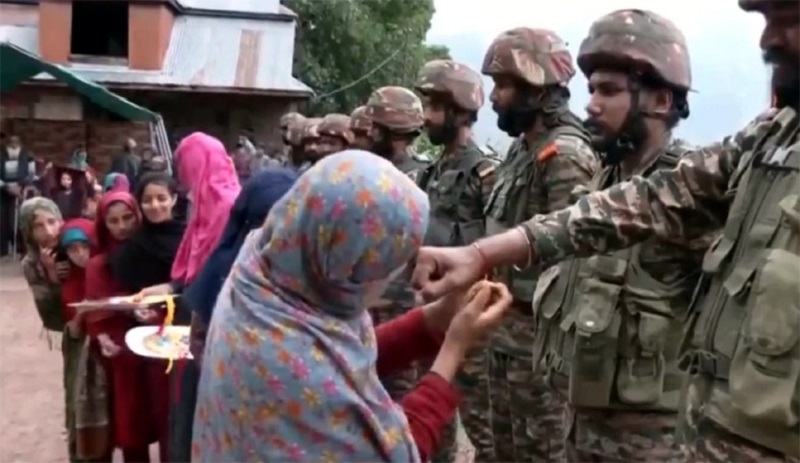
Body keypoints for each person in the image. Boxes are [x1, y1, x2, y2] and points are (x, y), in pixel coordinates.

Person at [412, 1, 800, 461]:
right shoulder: (771, 138)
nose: (767, 41)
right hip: (609, 422)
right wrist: (482, 255)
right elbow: (636, 204)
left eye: (789, 19)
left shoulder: (574, 158)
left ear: (660, 100)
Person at [190, 150, 513, 462]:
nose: (394, 278)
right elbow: (394, 454)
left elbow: (336, 361)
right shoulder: (284, 360)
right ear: (345, 265)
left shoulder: (264, 271)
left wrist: (432, 321)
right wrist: (454, 349)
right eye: (387, 266)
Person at [526, 10, 710, 462]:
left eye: (608, 91)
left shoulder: (694, 191)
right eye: (591, 90)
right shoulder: (603, 180)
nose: (590, 104)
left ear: (661, 100)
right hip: (581, 430)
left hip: (657, 444)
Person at [470, 26, 602, 462]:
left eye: (504, 86)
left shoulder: (564, 155)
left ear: (539, 90)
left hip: (540, 347)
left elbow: (575, 257)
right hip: (506, 333)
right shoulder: (523, 151)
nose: (493, 98)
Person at [135, 132, 241, 462]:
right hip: (195, 318)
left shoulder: (226, 207)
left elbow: (219, 271)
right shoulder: (204, 200)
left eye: (185, 165)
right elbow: (193, 268)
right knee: (184, 406)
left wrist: (179, 290)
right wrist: (171, 289)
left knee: (198, 407)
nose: (181, 177)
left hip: (215, 326)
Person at [413, 59, 499, 461]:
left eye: (434, 106)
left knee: (485, 431)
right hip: (431, 314)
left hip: (470, 322)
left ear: (460, 111)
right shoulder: (431, 173)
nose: (426, 116)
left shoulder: (485, 174)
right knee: (432, 422)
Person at [183, 167, 298, 365]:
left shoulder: (308, 272)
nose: (272, 235)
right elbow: (200, 342)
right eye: (263, 222)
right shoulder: (224, 270)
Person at [83, 192, 159, 462]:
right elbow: (95, 308)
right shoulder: (98, 264)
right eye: (113, 221)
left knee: (165, 419)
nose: (122, 226)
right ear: (103, 224)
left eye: (128, 218)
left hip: (157, 344)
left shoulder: (154, 250)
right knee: (132, 423)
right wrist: (101, 336)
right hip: (122, 351)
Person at [57, 218, 109, 462]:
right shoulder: (67, 281)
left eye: (84, 246)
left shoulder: (107, 270)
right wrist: (81, 314)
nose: (80, 254)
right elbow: (72, 329)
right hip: (83, 360)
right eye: (72, 249)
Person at [19, 197, 68, 332]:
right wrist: (51, 273)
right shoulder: (31, 264)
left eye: (52, 222)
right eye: (38, 226)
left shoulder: (77, 246)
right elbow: (52, 316)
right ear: (29, 232)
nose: (48, 231)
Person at [364, 86, 431, 182]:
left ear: (396, 133)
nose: (369, 133)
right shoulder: (368, 170)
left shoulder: (421, 178)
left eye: (376, 128)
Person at [0, 134, 36, 258]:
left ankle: (21, 249)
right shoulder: (1, 155)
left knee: (21, 220)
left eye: (16, 143)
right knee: (3, 220)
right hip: (3, 191)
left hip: (21, 191)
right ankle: (3, 250)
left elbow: (31, 174)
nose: (14, 146)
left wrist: (24, 187)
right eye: (11, 143)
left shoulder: (28, 156)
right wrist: (6, 187)